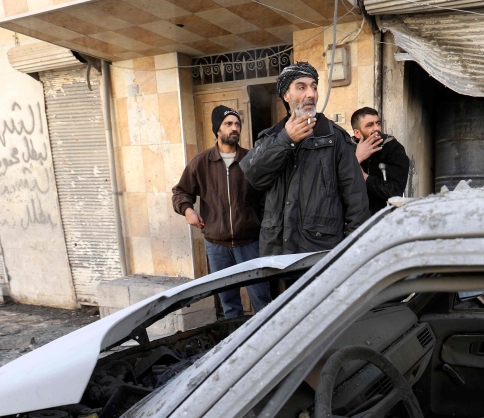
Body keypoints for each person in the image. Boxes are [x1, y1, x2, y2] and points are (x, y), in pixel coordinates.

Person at [241, 62, 369, 256]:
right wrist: (285, 140)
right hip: (277, 254)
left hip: (320, 254)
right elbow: (254, 176)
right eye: (301, 87)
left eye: (314, 87)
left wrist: (350, 253)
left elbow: (357, 202)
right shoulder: (270, 138)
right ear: (286, 95)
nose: (311, 94)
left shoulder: (335, 138)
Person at [172, 105, 271, 319]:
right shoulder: (201, 162)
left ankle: (267, 337)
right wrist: (187, 210)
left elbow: (266, 197)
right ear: (217, 129)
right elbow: (180, 192)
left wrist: (262, 226)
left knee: (261, 298)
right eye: (228, 124)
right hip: (217, 246)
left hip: (250, 243)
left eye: (237, 124)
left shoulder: (251, 159)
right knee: (229, 303)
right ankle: (235, 338)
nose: (234, 128)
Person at [351, 107, 409, 215]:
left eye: (378, 123)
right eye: (370, 125)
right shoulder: (347, 150)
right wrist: (357, 158)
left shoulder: (393, 148)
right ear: (357, 133)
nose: (376, 128)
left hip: (385, 217)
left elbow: (395, 192)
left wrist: (366, 178)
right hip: (354, 219)